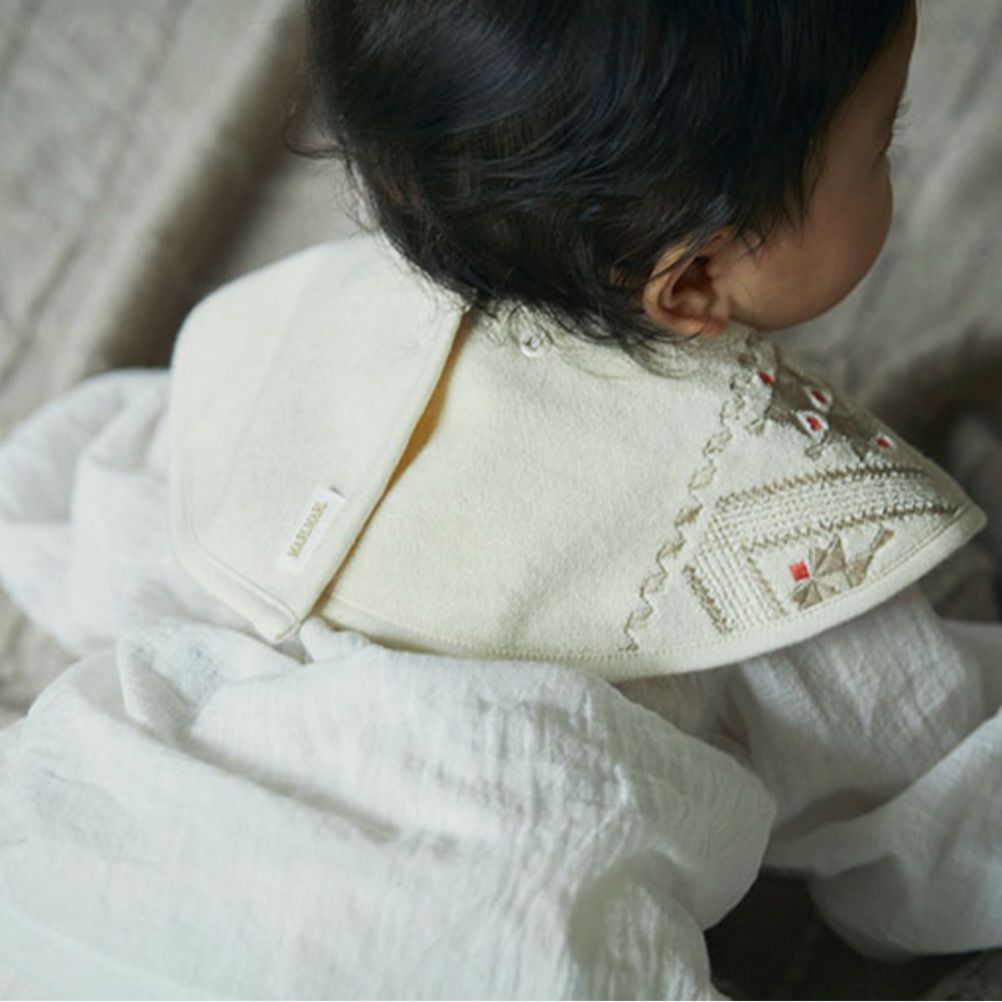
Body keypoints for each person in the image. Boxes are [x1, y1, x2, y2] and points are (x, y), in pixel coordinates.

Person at [162, 0, 1002, 993]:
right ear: (692, 282)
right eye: (881, 145)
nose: (895, 161)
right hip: (476, 941)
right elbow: (933, 807)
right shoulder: (756, 507)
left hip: (157, 860)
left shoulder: (304, 318)